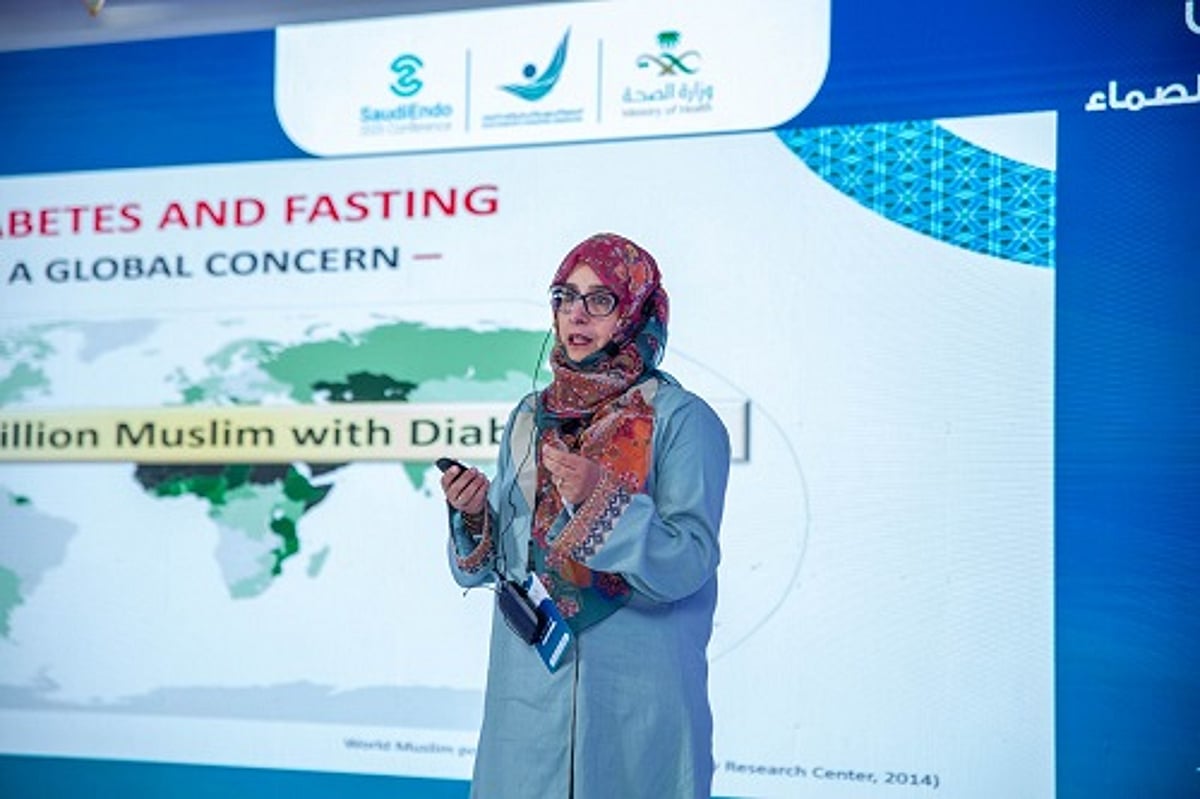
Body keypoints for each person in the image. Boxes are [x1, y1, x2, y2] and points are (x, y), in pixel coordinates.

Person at [440, 232, 730, 798]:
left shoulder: (682, 421)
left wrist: (604, 501)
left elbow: (690, 562)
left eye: (600, 299)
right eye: (565, 297)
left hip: (636, 694)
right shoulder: (530, 416)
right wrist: (474, 517)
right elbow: (508, 562)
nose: (576, 314)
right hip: (528, 694)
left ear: (636, 311)